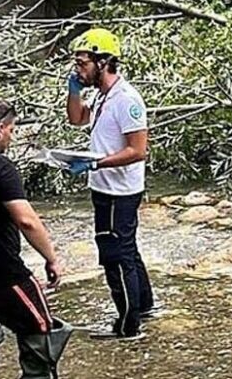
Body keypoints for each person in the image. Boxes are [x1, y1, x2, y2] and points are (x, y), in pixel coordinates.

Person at [64, 28, 154, 339]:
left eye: (83, 63)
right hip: (103, 187)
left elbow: (138, 150)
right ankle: (144, 306)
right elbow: (76, 119)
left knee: (116, 256)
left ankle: (128, 326)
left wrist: (96, 162)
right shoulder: (102, 94)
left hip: (120, 191)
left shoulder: (127, 99)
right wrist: (74, 89)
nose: (79, 69)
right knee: (128, 249)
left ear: (104, 62)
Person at [0, 100, 72, 379]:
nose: (12, 136)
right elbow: (26, 220)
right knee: (43, 332)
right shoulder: (0, 167)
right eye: (12, 129)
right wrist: (51, 258)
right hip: (3, 275)